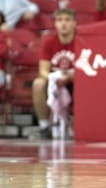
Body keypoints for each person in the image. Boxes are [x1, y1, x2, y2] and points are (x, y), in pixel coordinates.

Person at [31, 8, 76, 139]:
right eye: (60, 20)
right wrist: (52, 78)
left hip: (76, 80)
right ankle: (44, 126)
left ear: (74, 23)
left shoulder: (81, 40)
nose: (63, 24)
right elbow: (43, 70)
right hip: (55, 81)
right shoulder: (49, 41)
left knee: (88, 84)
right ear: (55, 24)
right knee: (38, 84)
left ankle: (77, 124)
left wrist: (70, 77)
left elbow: (87, 68)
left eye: (67, 20)